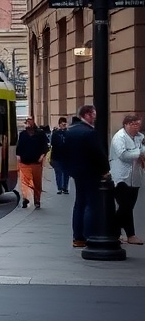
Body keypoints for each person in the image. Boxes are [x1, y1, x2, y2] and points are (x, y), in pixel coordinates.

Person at [65, 104, 110, 248]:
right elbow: (98, 154)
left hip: (76, 173)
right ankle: (89, 235)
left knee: (79, 203)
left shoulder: (70, 131)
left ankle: (77, 237)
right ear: (87, 114)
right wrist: (105, 170)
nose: (95, 118)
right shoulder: (89, 132)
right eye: (94, 115)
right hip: (91, 173)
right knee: (91, 204)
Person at [109, 114, 144, 245]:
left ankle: (125, 234)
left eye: (138, 124)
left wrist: (140, 152)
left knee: (129, 207)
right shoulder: (119, 137)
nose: (136, 127)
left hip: (135, 177)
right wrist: (138, 153)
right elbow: (123, 155)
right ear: (126, 125)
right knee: (125, 207)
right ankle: (114, 231)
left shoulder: (140, 137)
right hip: (121, 177)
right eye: (134, 124)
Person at [16, 116, 48, 209]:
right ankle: (25, 199)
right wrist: (18, 157)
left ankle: (37, 200)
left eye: (30, 121)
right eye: (27, 121)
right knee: (24, 182)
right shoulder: (22, 134)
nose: (28, 123)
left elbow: (45, 147)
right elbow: (19, 147)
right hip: (24, 162)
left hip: (36, 162)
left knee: (37, 182)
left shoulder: (40, 134)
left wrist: (41, 157)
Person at [51, 117, 70, 194]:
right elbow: (53, 143)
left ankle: (65, 187)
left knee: (66, 173)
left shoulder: (68, 133)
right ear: (59, 124)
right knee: (58, 173)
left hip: (66, 156)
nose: (64, 126)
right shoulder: (56, 133)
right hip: (57, 156)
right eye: (62, 124)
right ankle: (60, 188)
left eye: (65, 124)